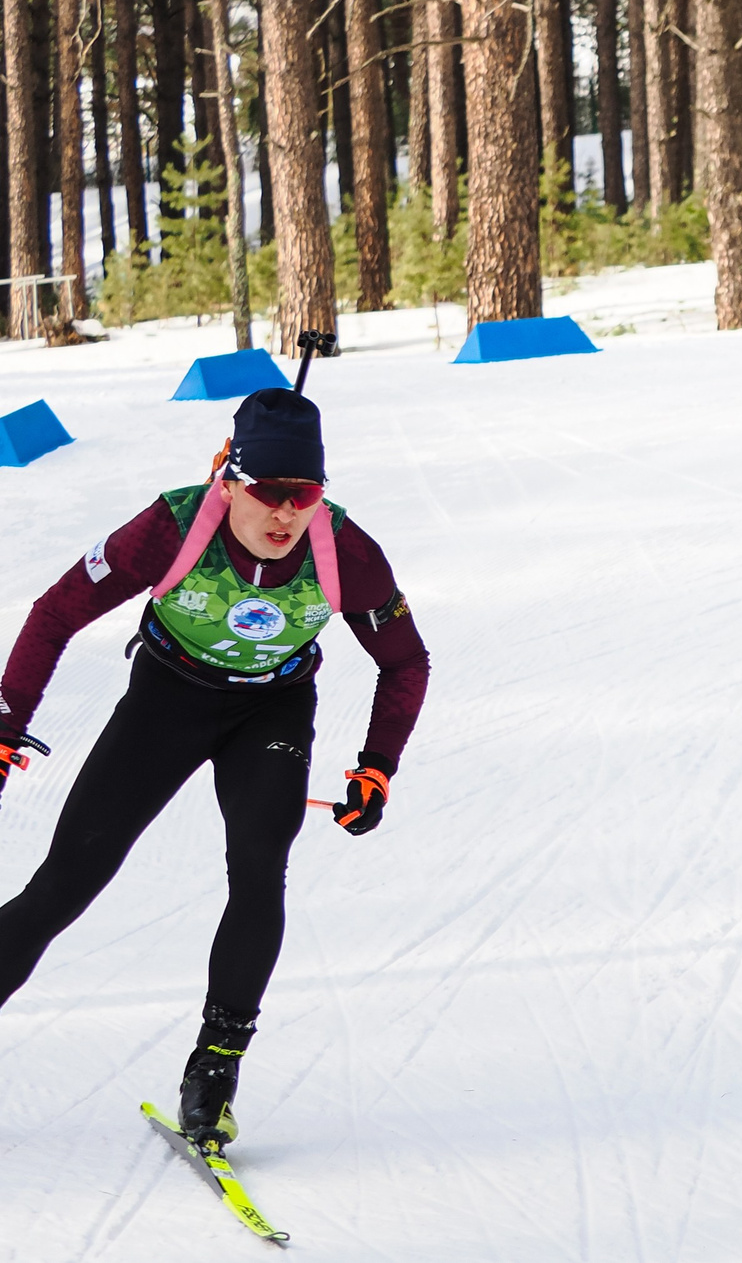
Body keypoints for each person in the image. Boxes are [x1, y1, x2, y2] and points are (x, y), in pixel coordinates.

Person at [0, 387, 430, 1147]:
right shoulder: (171, 526)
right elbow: (56, 609)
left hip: (272, 709)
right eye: (268, 490)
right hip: (167, 697)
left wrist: (377, 765)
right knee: (64, 884)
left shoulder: (346, 552)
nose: (285, 512)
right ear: (228, 479)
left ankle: (214, 1074)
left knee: (260, 866)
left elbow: (405, 661)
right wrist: (8, 720)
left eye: (305, 493)